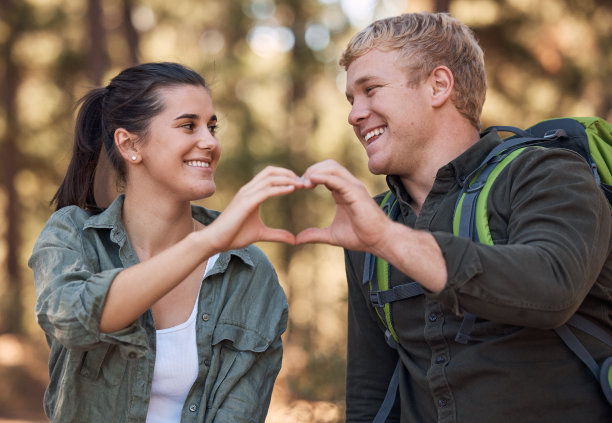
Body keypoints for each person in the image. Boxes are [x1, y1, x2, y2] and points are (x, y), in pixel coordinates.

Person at [296, 12, 612, 422]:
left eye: (370, 90)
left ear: (438, 86)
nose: (355, 114)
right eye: (351, 100)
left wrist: (389, 239)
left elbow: (552, 286)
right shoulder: (372, 221)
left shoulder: (547, 172)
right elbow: (371, 390)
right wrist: (380, 235)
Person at [29, 62, 304, 422]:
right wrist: (206, 243)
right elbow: (73, 321)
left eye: (212, 126)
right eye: (188, 125)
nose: (210, 142)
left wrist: (211, 243)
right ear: (129, 145)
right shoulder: (72, 237)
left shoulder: (248, 271)